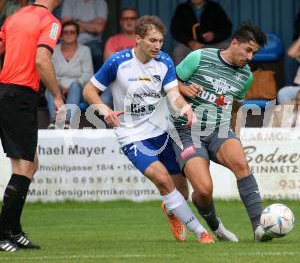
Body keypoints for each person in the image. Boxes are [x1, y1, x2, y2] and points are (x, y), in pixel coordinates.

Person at [83, 15, 214, 244]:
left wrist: (185, 109)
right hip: (131, 135)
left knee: (180, 191)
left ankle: (172, 210)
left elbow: (173, 94)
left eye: (160, 41)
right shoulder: (118, 62)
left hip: (162, 131)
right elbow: (88, 91)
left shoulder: (164, 61)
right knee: (163, 180)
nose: (157, 46)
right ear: (138, 39)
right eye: (152, 40)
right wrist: (105, 111)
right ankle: (200, 232)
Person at [171, 22, 272, 242]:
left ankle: (259, 228)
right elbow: (168, 83)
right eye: (248, 50)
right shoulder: (199, 57)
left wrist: (234, 134)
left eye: (254, 53)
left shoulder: (246, 75)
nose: (251, 57)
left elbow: (236, 107)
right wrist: (182, 87)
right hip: (187, 131)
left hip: (219, 129)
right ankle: (216, 226)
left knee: (241, 164)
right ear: (234, 43)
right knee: (204, 190)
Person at [0, 0, 66, 252]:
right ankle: (3, 234)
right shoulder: (49, 22)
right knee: (24, 167)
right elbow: (42, 59)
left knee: (30, 163)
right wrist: (57, 95)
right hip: (19, 95)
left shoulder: (15, 17)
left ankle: (13, 231)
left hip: (7, 92)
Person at [170, 0, 232, 64]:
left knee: (228, 48)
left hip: (212, 45)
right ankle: (181, 77)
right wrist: (190, 42)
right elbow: (175, 30)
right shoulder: (182, 9)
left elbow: (227, 28)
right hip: (190, 45)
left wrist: (214, 35)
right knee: (178, 51)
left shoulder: (215, 7)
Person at [46, 20, 93, 129]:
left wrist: (73, 84)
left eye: (72, 32)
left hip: (78, 89)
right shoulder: (54, 50)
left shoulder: (85, 50)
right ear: (61, 35)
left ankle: (67, 122)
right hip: (58, 88)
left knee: (75, 87)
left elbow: (88, 74)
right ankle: (55, 121)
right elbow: (50, 72)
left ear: (77, 34)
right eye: (65, 32)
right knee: (51, 88)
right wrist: (59, 87)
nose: (68, 34)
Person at [61, 0, 108, 72]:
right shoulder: (70, 0)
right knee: (54, 51)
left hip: (92, 42)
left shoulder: (101, 2)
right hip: (69, 40)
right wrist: (91, 24)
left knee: (97, 53)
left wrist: (76, 21)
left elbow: (99, 28)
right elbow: (66, 25)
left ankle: (96, 84)